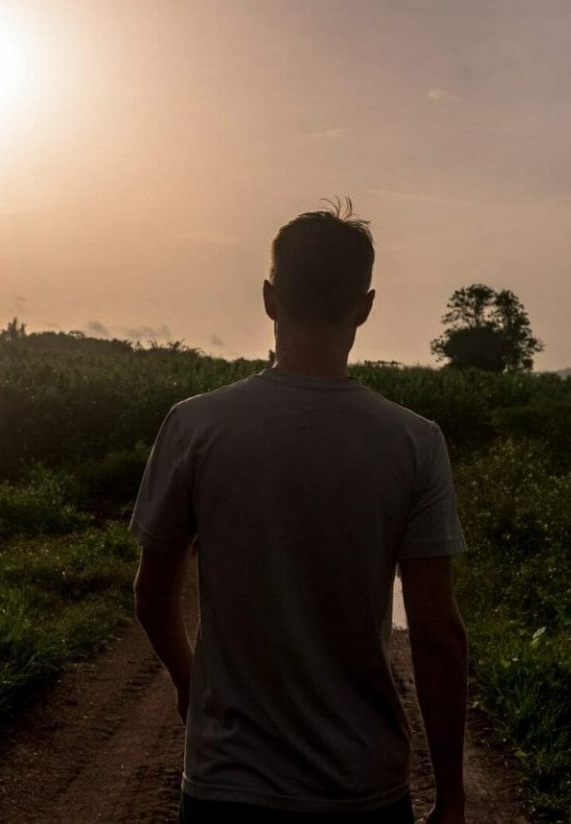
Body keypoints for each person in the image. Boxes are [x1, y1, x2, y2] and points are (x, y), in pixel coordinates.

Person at [130, 201, 469, 823]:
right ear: (365, 306)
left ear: (268, 297)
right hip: (363, 788)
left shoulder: (194, 426)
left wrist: (189, 686)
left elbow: (152, 596)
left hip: (225, 789)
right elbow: (437, 636)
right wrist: (450, 798)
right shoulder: (415, 443)